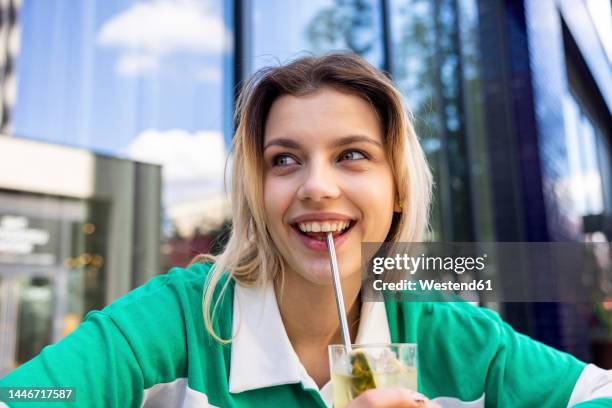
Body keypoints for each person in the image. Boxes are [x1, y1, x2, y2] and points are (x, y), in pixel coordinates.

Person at [1, 53, 611, 408]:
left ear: (397, 190)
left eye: (352, 155)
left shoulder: (444, 331)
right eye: (284, 160)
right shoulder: (179, 320)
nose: (316, 187)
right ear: (257, 193)